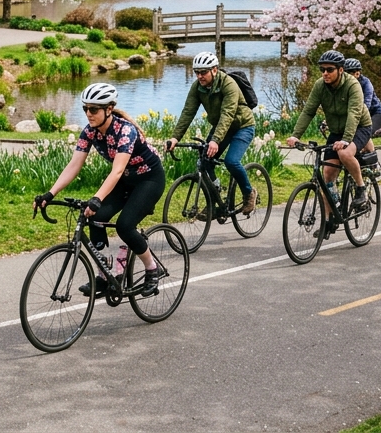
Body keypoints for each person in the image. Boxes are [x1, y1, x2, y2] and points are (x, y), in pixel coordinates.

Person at [35, 83, 167, 297]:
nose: (88, 113)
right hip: (125, 180)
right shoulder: (90, 132)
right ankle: (104, 276)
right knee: (94, 217)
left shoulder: (125, 130)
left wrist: (97, 198)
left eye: (94, 109)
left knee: (125, 226)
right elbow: (74, 165)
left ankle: (153, 268)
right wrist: (50, 193)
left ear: (109, 109)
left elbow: (117, 170)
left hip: (149, 180)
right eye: (85, 108)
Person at [284, 50, 372, 230]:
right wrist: (296, 135)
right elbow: (308, 111)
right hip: (336, 131)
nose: (325, 73)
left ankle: (361, 188)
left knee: (345, 154)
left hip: (359, 127)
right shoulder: (320, 85)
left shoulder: (352, 85)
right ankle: (329, 219)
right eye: (322, 69)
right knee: (327, 176)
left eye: (329, 69)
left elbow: (354, 114)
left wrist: (346, 139)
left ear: (341, 70)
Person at [167, 52, 258, 215]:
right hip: (221, 128)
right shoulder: (197, 87)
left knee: (231, 161)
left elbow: (227, 114)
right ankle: (215, 197)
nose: (199, 76)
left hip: (242, 126)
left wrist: (215, 140)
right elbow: (188, 112)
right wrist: (175, 137)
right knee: (204, 162)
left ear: (214, 70)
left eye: (203, 72)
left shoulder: (229, 84)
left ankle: (248, 193)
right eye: (196, 72)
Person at [343, 58, 381, 145]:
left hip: (374, 113)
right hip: (359, 113)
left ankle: (376, 134)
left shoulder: (366, 83)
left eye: (349, 73)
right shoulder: (345, 84)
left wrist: (356, 116)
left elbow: (367, 102)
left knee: (362, 135)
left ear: (357, 73)